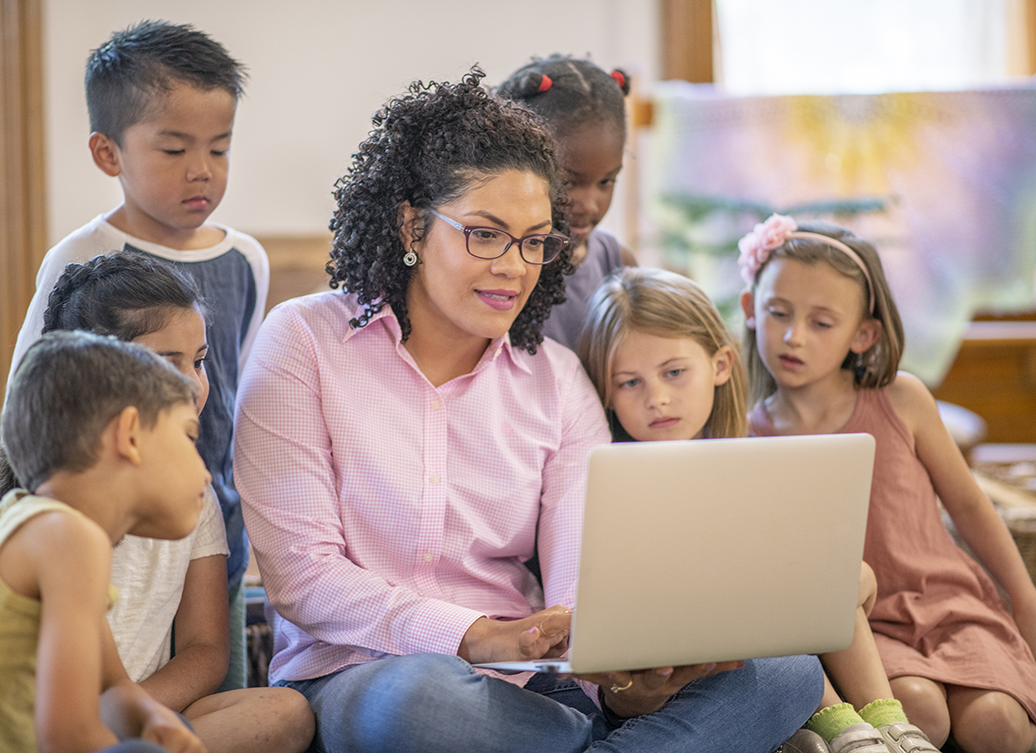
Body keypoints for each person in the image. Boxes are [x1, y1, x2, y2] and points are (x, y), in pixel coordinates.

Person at [234, 69, 822, 753]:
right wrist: (475, 634)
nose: (515, 266)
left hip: (536, 688)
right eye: (484, 234)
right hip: (366, 671)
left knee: (787, 670)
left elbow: (578, 576)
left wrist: (620, 677)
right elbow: (303, 578)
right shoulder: (303, 341)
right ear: (412, 224)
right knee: (415, 701)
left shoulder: (557, 378)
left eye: (535, 240)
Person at [0, 252, 314, 752]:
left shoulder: (117, 515)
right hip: (4, 731)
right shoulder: (57, 529)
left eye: (199, 361)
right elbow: (59, 729)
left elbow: (127, 681)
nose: (193, 386)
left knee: (283, 712)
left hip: (98, 718)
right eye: (165, 365)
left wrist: (144, 718)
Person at [7, 20, 269, 692]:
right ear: (108, 153)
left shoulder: (245, 261)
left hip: (212, 531)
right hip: (105, 532)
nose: (203, 170)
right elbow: (30, 406)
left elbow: (232, 395)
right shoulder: (80, 258)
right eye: (175, 148)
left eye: (219, 147)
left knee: (214, 685)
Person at [575, 266, 934, 753]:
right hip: (674, 663)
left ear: (720, 366)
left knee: (811, 574)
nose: (657, 397)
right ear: (605, 393)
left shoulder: (754, 461)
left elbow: (842, 579)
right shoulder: (613, 480)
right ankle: (838, 728)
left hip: (763, 638)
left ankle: (886, 724)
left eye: (674, 373)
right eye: (629, 383)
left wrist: (845, 580)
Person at [740, 214, 1036, 753]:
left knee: (998, 723)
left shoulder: (904, 400)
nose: (793, 336)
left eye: (822, 322)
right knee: (920, 711)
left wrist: (1024, 595)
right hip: (862, 628)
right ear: (750, 310)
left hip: (953, 606)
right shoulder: (746, 431)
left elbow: (970, 506)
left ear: (864, 334)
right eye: (778, 312)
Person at [0, 330, 210, 753]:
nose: (207, 473)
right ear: (130, 435)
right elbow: (69, 739)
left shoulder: (43, 526)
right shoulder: (68, 537)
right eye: (189, 437)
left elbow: (114, 689)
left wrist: (154, 719)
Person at [497, 55, 637, 350]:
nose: (589, 205)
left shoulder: (616, 263)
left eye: (606, 182)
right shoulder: (503, 270)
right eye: (568, 182)